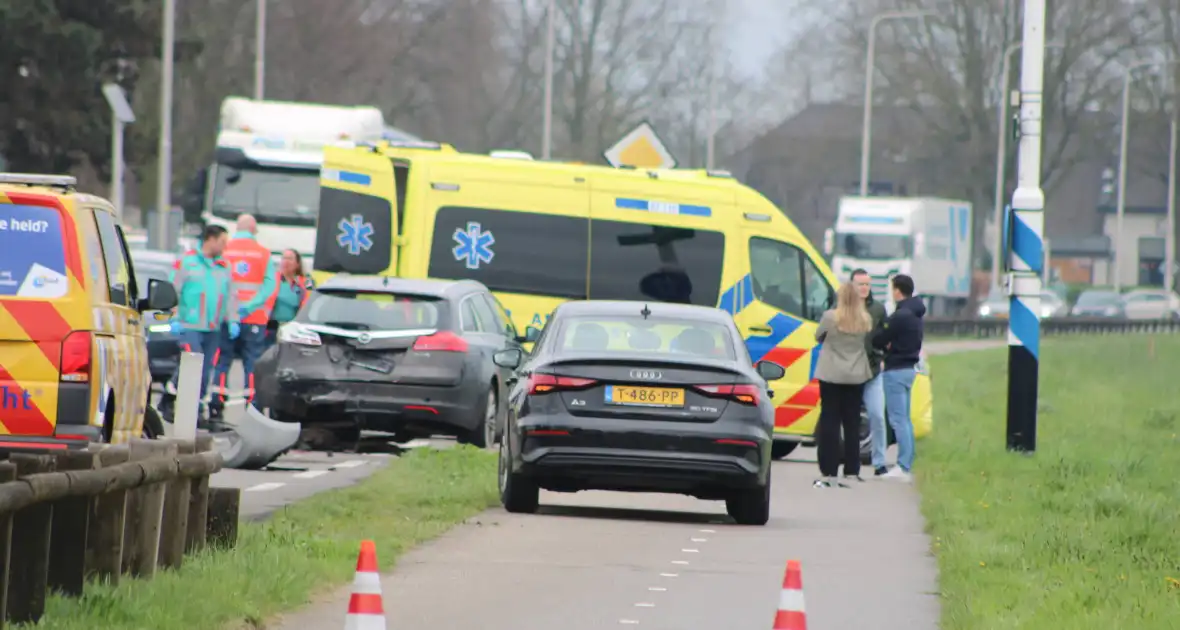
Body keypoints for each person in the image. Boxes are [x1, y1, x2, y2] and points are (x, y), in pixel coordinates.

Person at [158, 224, 239, 421]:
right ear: (210, 239)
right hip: (190, 325)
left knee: (206, 369)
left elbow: (230, 296)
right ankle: (170, 398)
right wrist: (174, 317)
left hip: (213, 327)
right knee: (192, 364)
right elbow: (173, 291)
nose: (224, 247)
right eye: (222, 242)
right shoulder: (187, 263)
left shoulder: (224, 266)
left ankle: (195, 407)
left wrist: (233, 320)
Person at [211, 215, 278, 416]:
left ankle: (217, 402)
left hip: (226, 317)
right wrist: (250, 306)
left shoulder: (224, 251)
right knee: (252, 362)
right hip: (254, 318)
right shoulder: (263, 254)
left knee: (222, 360)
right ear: (254, 230)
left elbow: (214, 283)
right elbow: (270, 286)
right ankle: (253, 406)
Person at [812, 281, 873, 488]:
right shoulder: (865, 319)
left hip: (831, 373)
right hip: (856, 374)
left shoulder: (831, 317)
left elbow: (818, 336)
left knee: (830, 420)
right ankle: (852, 469)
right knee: (852, 422)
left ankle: (829, 469)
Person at [873, 274, 926, 482]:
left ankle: (903, 466)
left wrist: (886, 343)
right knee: (905, 419)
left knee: (898, 419)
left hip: (895, 370)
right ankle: (907, 462)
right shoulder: (916, 313)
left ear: (897, 291)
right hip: (909, 369)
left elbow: (879, 339)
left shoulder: (900, 315)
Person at [851, 269, 890, 477]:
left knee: (877, 415)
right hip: (848, 372)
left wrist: (881, 357)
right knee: (849, 419)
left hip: (872, 372)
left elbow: (885, 336)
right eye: (860, 284)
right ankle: (850, 462)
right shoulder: (843, 307)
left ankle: (880, 463)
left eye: (867, 284)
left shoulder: (878, 309)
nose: (864, 288)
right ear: (852, 286)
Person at [266, 248, 315, 348]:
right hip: (272, 328)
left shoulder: (307, 282)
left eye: (290, 259)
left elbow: (309, 303)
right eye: (284, 258)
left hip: (295, 329)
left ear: (297, 264)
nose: (286, 262)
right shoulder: (272, 279)